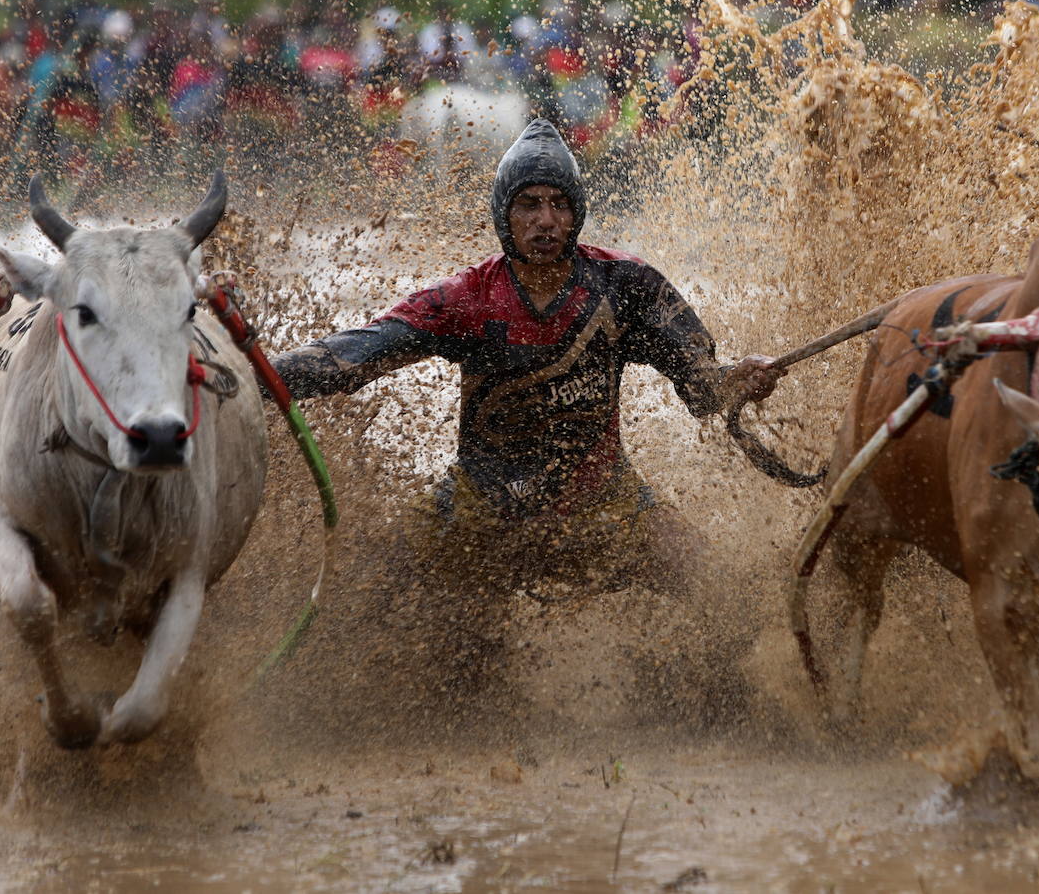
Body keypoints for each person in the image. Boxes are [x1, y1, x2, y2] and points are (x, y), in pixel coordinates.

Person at [270, 118, 784, 686]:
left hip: (603, 504)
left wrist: (737, 379)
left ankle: (719, 691)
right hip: (481, 509)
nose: (546, 220)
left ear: (578, 213)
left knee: (731, 595)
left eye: (560, 204)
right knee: (358, 594)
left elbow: (703, 385)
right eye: (530, 204)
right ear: (503, 216)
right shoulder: (467, 298)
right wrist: (262, 374)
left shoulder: (627, 286)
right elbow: (359, 352)